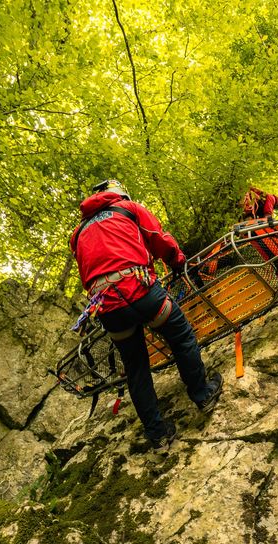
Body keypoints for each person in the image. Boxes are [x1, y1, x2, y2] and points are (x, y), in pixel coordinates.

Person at [70, 178, 223, 453]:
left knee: (136, 369)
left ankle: (158, 435)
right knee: (181, 335)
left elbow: (89, 268)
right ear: (120, 194)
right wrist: (177, 262)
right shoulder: (129, 209)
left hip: (107, 306)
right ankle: (202, 394)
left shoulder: (78, 233)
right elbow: (160, 240)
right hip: (139, 290)